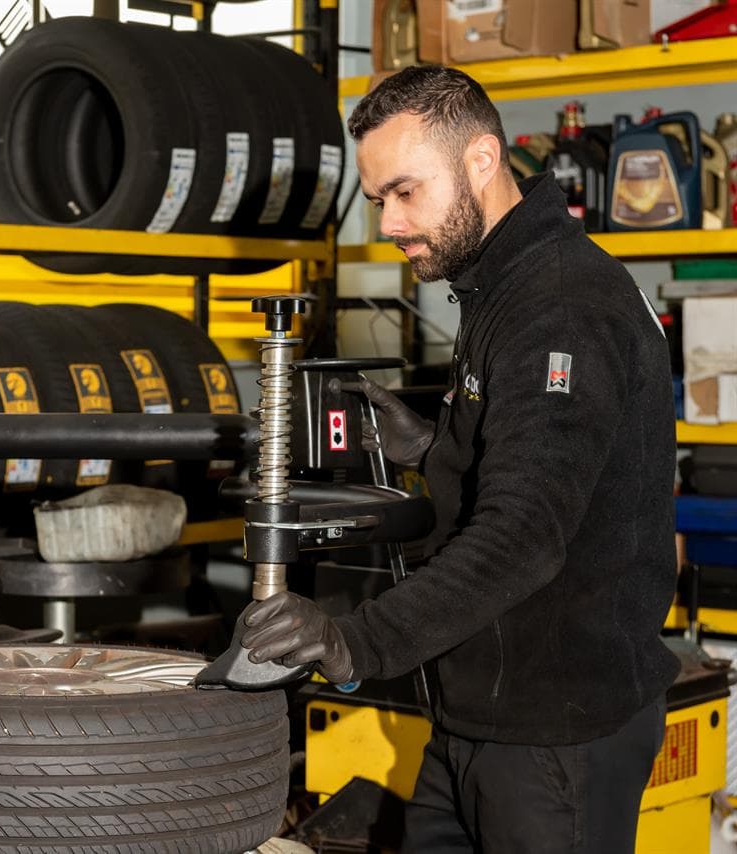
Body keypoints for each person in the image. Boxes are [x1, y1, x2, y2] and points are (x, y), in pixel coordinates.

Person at [240, 65, 678, 853]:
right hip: (476, 714)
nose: (390, 223)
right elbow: (531, 455)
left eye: (406, 192)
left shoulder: (560, 306)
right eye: (377, 201)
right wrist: (432, 447)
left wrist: (354, 641)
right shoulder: (499, 286)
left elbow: (526, 533)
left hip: (556, 733)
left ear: (480, 160)